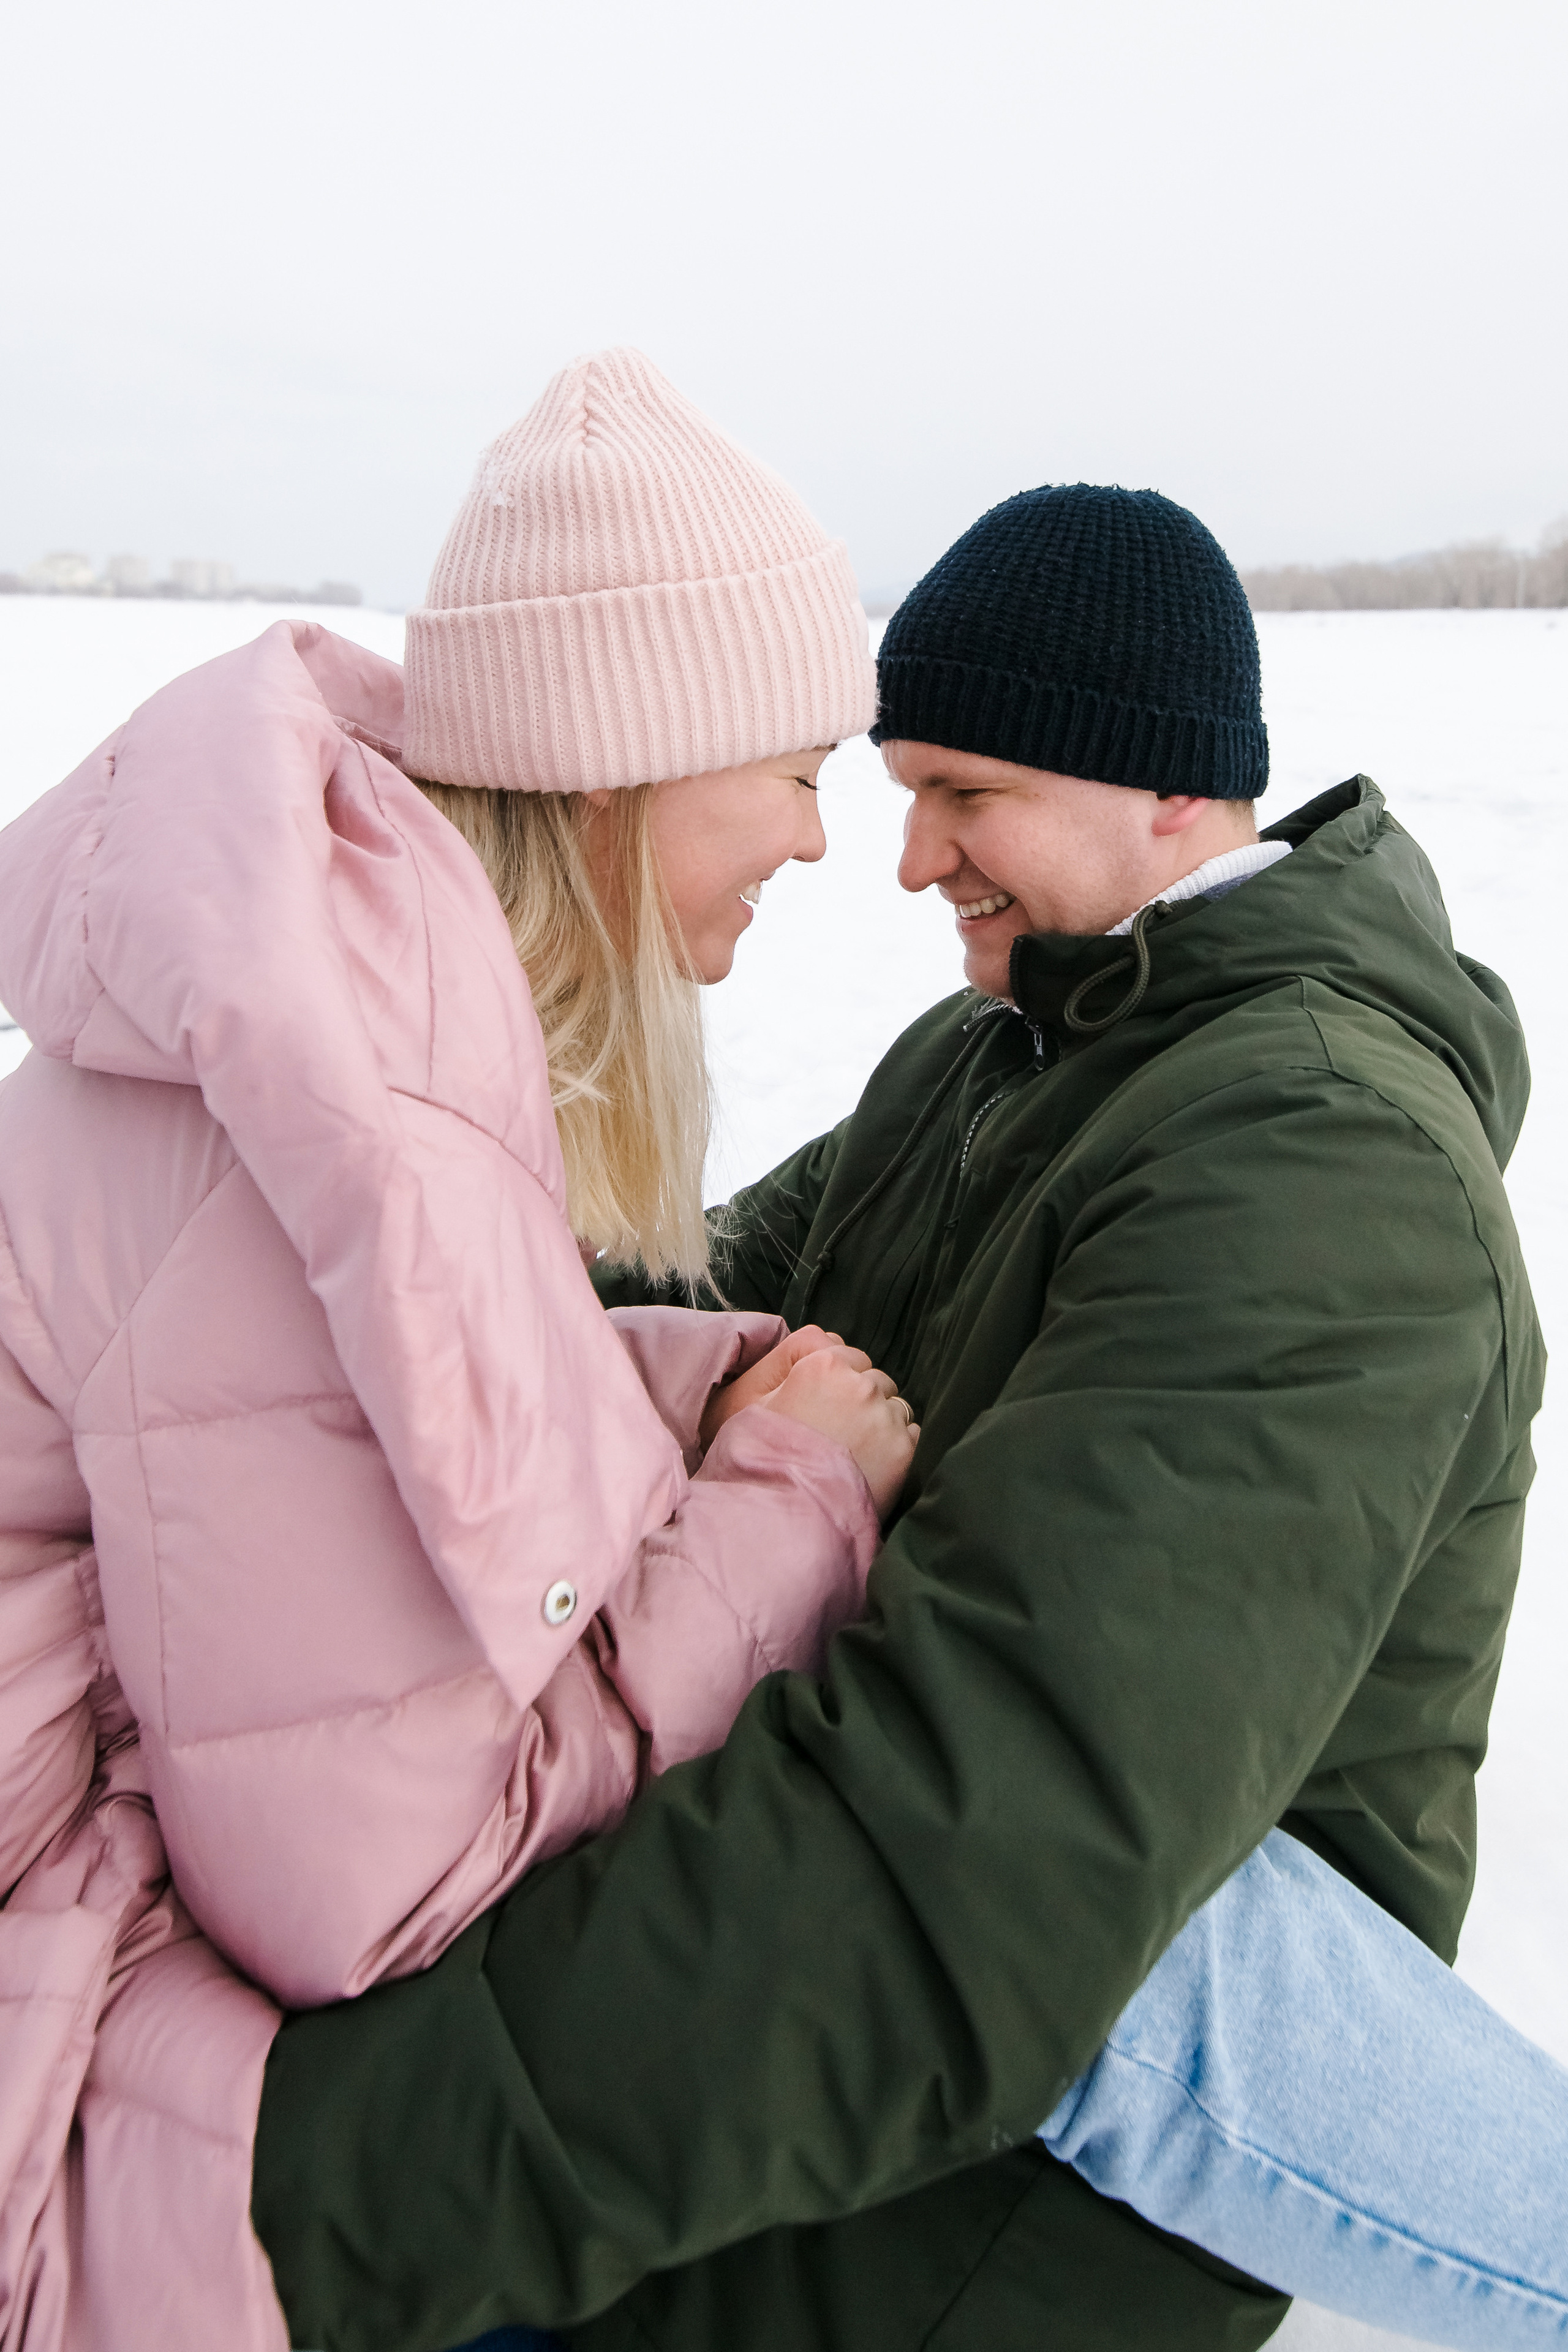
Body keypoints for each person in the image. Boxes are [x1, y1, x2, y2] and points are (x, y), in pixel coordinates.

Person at [247, 484, 1564, 2352]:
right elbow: (682, 1293)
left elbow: (983, 1841)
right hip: (824, 2020)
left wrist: (306, 2194)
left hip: (1014, 2170)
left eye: (968, 793)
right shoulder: (1006, 1046)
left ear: (1170, 789)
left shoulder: (1318, 1162)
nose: (910, 856)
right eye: (902, 787)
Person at [0, 348, 913, 2350]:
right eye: (795, 769)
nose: (824, 841)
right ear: (624, 759)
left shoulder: (366, 1045)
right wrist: (784, 1511)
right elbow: (370, 1897)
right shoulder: (331, 1142)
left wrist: (689, 1394)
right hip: (65, 2049)